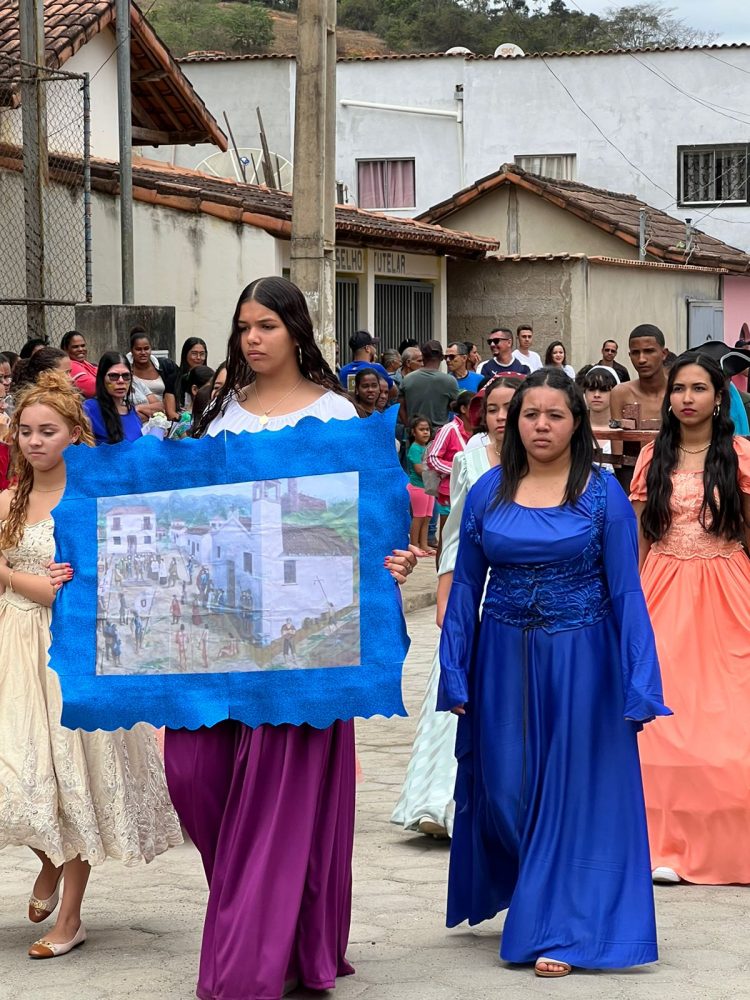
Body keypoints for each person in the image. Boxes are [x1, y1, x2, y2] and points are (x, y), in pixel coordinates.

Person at [167, 276, 416, 1000]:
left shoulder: (337, 412)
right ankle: (275, 916)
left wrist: (390, 557)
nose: (251, 338)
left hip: (307, 643)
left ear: (297, 331)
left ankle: (254, 950)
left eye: (266, 326)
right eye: (243, 325)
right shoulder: (221, 415)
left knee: (276, 799)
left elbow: (372, 514)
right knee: (192, 772)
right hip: (223, 630)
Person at [438, 368, 669, 977]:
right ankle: (533, 896)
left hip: (582, 662)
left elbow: (625, 593)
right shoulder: (489, 490)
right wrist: (454, 668)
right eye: (529, 414)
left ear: (576, 423)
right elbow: (465, 587)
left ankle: (561, 927)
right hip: (503, 659)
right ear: (513, 422)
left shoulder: (601, 493)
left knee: (570, 795)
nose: (541, 425)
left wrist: (640, 678)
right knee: (507, 790)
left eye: (555, 415)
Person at [0, 371, 181, 958]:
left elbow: (79, 595)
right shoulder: (7, 502)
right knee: (20, 775)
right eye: (24, 430)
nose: (33, 441)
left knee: (72, 776)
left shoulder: (92, 501)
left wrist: (7, 575)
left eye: (47, 431)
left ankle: (70, 918)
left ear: (74, 434)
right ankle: (47, 860)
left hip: (69, 652)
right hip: (11, 649)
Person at [629, 352, 750, 886]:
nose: (686, 398)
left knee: (728, 717)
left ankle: (727, 840)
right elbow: (640, 537)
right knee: (661, 719)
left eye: (698, 388)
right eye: (679, 389)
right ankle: (661, 843)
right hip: (660, 586)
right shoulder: (653, 456)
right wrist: (626, 599)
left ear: (719, 397)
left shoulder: (741, 455)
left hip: (728, 585)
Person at [392, 374, 524, 838]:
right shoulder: (469, 458)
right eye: (492, 409)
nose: (502, 417)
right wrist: (446, 590)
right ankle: (438, 800)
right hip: (474, 583)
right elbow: (456, 533)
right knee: (455, 684)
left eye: (512, 407)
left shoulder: (547, 459)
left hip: (521, 589)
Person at [610, 325, 670, 490]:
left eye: (649, 351)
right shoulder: (621, 393)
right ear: (629, 355)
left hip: (674, 472)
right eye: (636, 353)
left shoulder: (677, 391)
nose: (642, 359)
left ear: (663, 354)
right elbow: (618, 447)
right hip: (631, 475)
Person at [83, 352, 143, 446]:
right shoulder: (89, 409)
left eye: (126, 376)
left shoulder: (132, 411)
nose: (121, 381)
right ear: (102, 378)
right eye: (113, 376)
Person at [398, 340, 457, 429]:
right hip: (439, 436)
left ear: (423, 356)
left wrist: (410, 426)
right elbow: (456, 407)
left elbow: (400, 407)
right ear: (442, 358)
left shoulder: (407, 379)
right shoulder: (450, 381)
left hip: (415, 435)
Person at [405, 415, 435, 555]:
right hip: (418, 488)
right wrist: (436, 469)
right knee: (418, 517)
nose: (425, 432)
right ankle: (414, 544)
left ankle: (424, 544)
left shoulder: (428, 447)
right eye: (421, 429)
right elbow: (418, 469)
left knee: (427, 517)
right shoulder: (415, 448)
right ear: (413, 432)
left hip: (428, 488)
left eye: (427, 429)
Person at [579, 365, 619, 472]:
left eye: (603, 390)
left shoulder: (623, 430)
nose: (596, 395)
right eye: (591, 389)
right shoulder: (574, 429)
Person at [129, 327, 178, 406]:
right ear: (131, 350)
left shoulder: (166, 366)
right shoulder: (125, 370)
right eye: (138, 349)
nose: (143, 352)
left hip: (162, 414)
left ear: (151, 349)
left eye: (146, 348)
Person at [164, 337, 208, 420]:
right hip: (179, 424)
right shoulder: (173, 378)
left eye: (202, 354)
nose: (198, 357)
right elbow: (171, 413)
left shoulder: (210, 379)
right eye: (194, 353)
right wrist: (186, 422)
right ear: (185, 354)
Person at [60, 331, 98, 398]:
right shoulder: (70, 365)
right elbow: (92, 388)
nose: (81, 349)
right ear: (65, 349)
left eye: (83, 346)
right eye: (75, 347)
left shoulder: (85, 363)